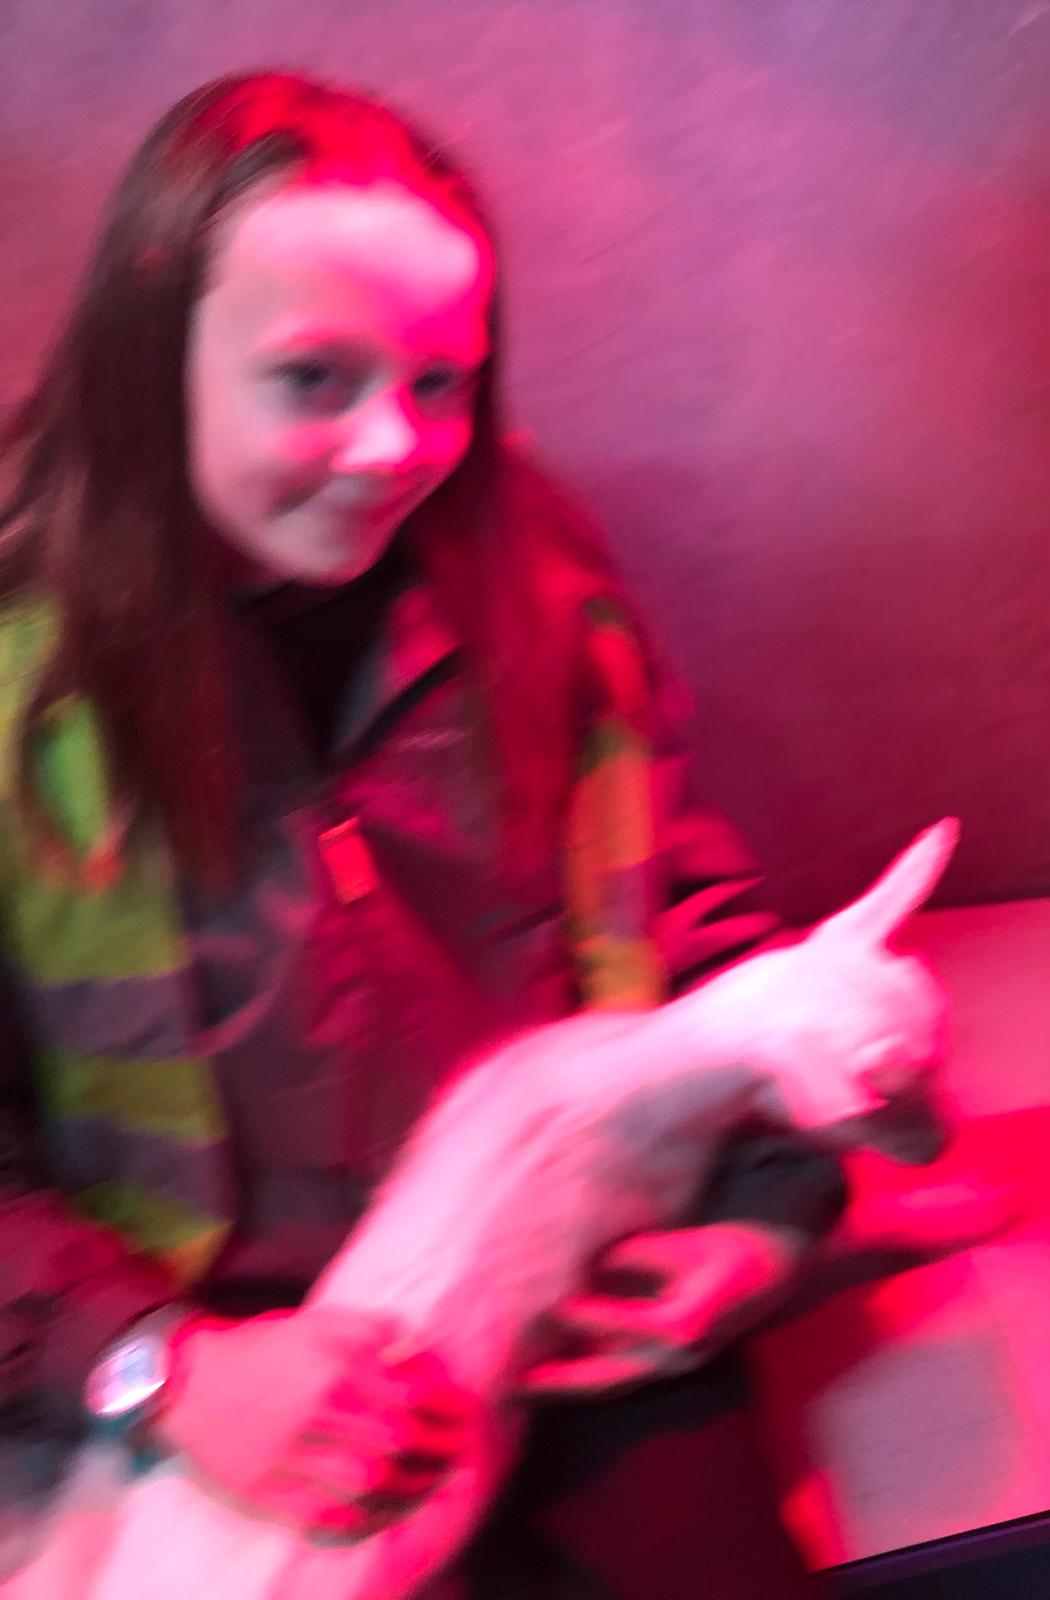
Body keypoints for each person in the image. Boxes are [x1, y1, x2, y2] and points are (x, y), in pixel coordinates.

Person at [0, 71, 857, 1596]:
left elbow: (684, 917)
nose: (393, 448)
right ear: (154, 350)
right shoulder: (25, 677)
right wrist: (156, 1366)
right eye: (312, 380)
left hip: (570, 1285)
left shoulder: (537, 578)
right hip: (209, 1359)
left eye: (439, 383)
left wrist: (758, 1222)